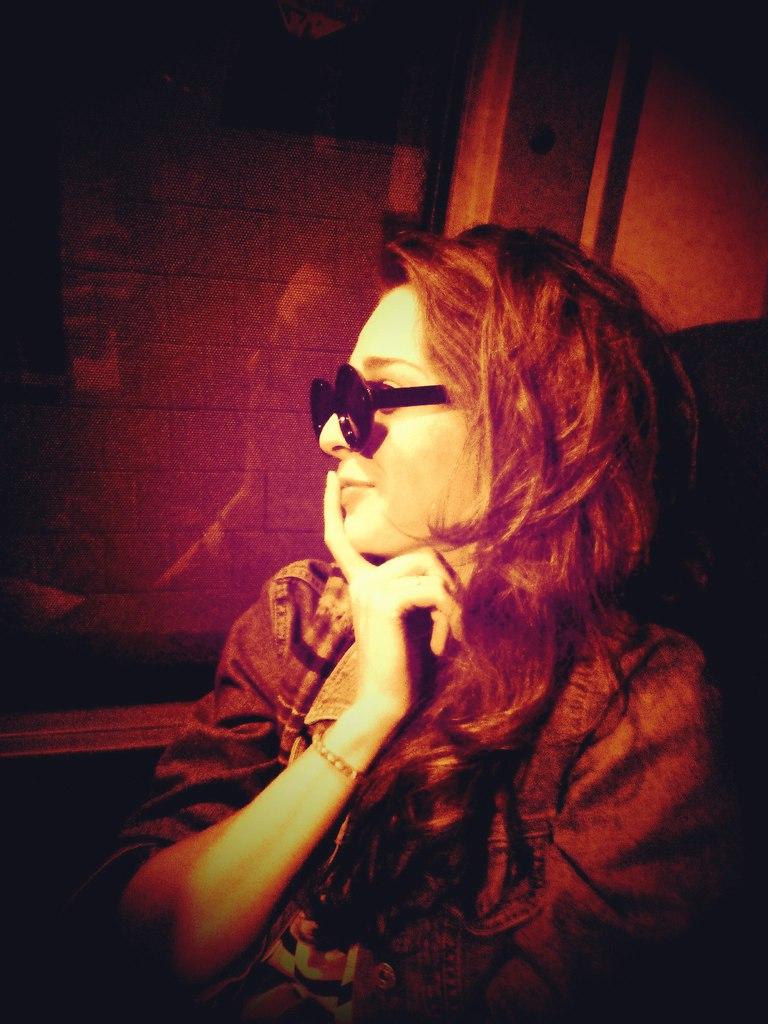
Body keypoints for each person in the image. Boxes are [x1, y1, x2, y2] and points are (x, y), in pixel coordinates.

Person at [87, 226, 739, 1023]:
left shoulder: (641, 715)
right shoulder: (299, 621)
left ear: (527, 424)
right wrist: (366, 721)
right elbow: (138, 947)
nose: (330, 435)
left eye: (375, 397)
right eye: (336, 399)